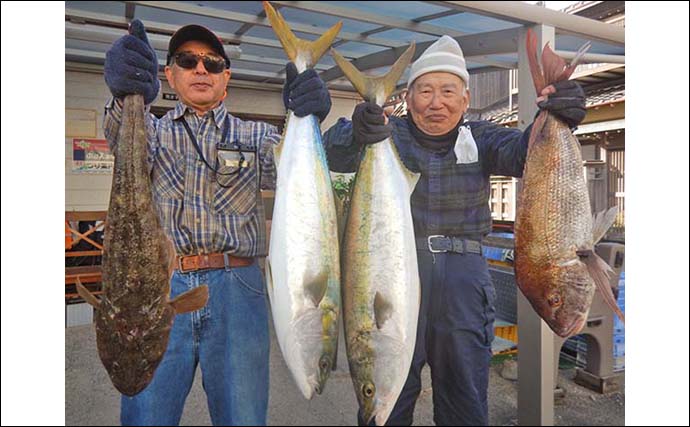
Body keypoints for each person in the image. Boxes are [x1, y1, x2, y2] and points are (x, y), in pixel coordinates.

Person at [322, 35, 586, 426]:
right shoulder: (386, 134)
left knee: (464, 405)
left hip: (464, 282)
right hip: (394, 274)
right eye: (425, 90)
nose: (436, 102)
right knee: (385, 398)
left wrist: (562, 116)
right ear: (408, 99)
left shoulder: (480, 136)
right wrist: (355, 131)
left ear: (465, 100)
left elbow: (525, 153)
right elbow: (332, 151)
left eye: (448, 91)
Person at [102, 19, 331, 426]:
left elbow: (305, 172)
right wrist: (124, 94)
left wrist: (312, 118)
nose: (200, 70)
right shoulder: (153, 134)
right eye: (188, 61)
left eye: (212, 62)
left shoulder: (258, 136)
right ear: (169, 74)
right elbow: (123, 138)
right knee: (146, 413)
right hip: (163, 291)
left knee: (242, 416)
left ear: (227, 77)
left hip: (237, 288)